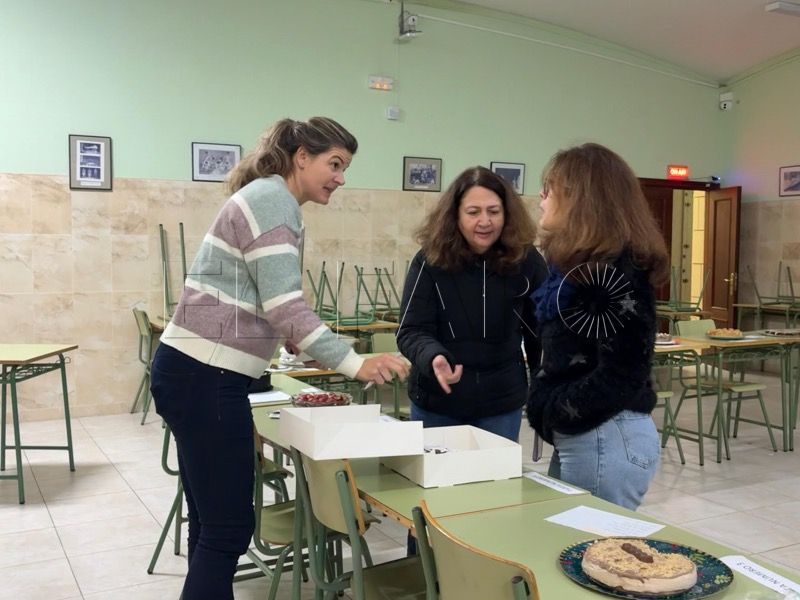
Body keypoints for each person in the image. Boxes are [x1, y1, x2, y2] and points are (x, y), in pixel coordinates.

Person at [150, 117, 409, 600]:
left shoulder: (266, 196)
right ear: (301, 157)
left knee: (210, 523)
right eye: (335, 164)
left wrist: (282, 334)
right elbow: (285, 306)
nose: (341, 178)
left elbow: (257, 298)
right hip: (207, 376)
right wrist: (357, 364)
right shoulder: (274, 201)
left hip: (190, 371)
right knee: (228, 528)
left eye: (345, 168)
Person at [526, 142, 669, 510]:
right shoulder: (575, 269)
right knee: (564, 539)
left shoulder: (614, 272)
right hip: (587, 434)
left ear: (581, 199)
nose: (541, 197)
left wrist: (556, 409)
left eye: (550, 189)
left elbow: (623, 372)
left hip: (604, 433)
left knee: (590, 543)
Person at [397, 166, 547, 442]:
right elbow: (411, 329)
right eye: (473, 212)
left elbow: (542, 331)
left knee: (496, 471)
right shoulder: (429, 260)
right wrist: (433, 357)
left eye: (494, 211)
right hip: (437, 403)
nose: (485, 221)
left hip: (501, 404)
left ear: (507, 214)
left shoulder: (528, 261)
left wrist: (544, 387)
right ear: (455, 215)